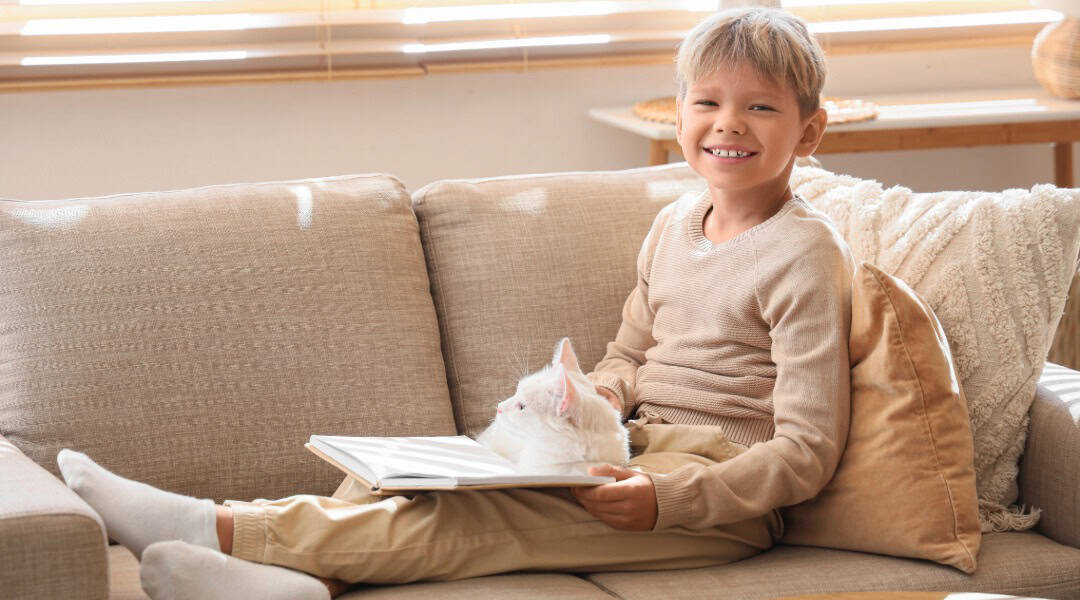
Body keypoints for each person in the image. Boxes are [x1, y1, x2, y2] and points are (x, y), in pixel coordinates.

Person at [55, 7, 854, 599]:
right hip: (630, 447)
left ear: (808, 132)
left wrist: (666, 499)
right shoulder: (675, 225)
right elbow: (631, 352)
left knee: (480, 521)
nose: (727, 124)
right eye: (707, 101)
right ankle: (297, 586)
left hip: (717, 501)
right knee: (394, 477)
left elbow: (808, 450)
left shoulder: (804, 255)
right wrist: (597, 398)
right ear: (678, 115)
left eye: (760, 107)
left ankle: (216, 526)